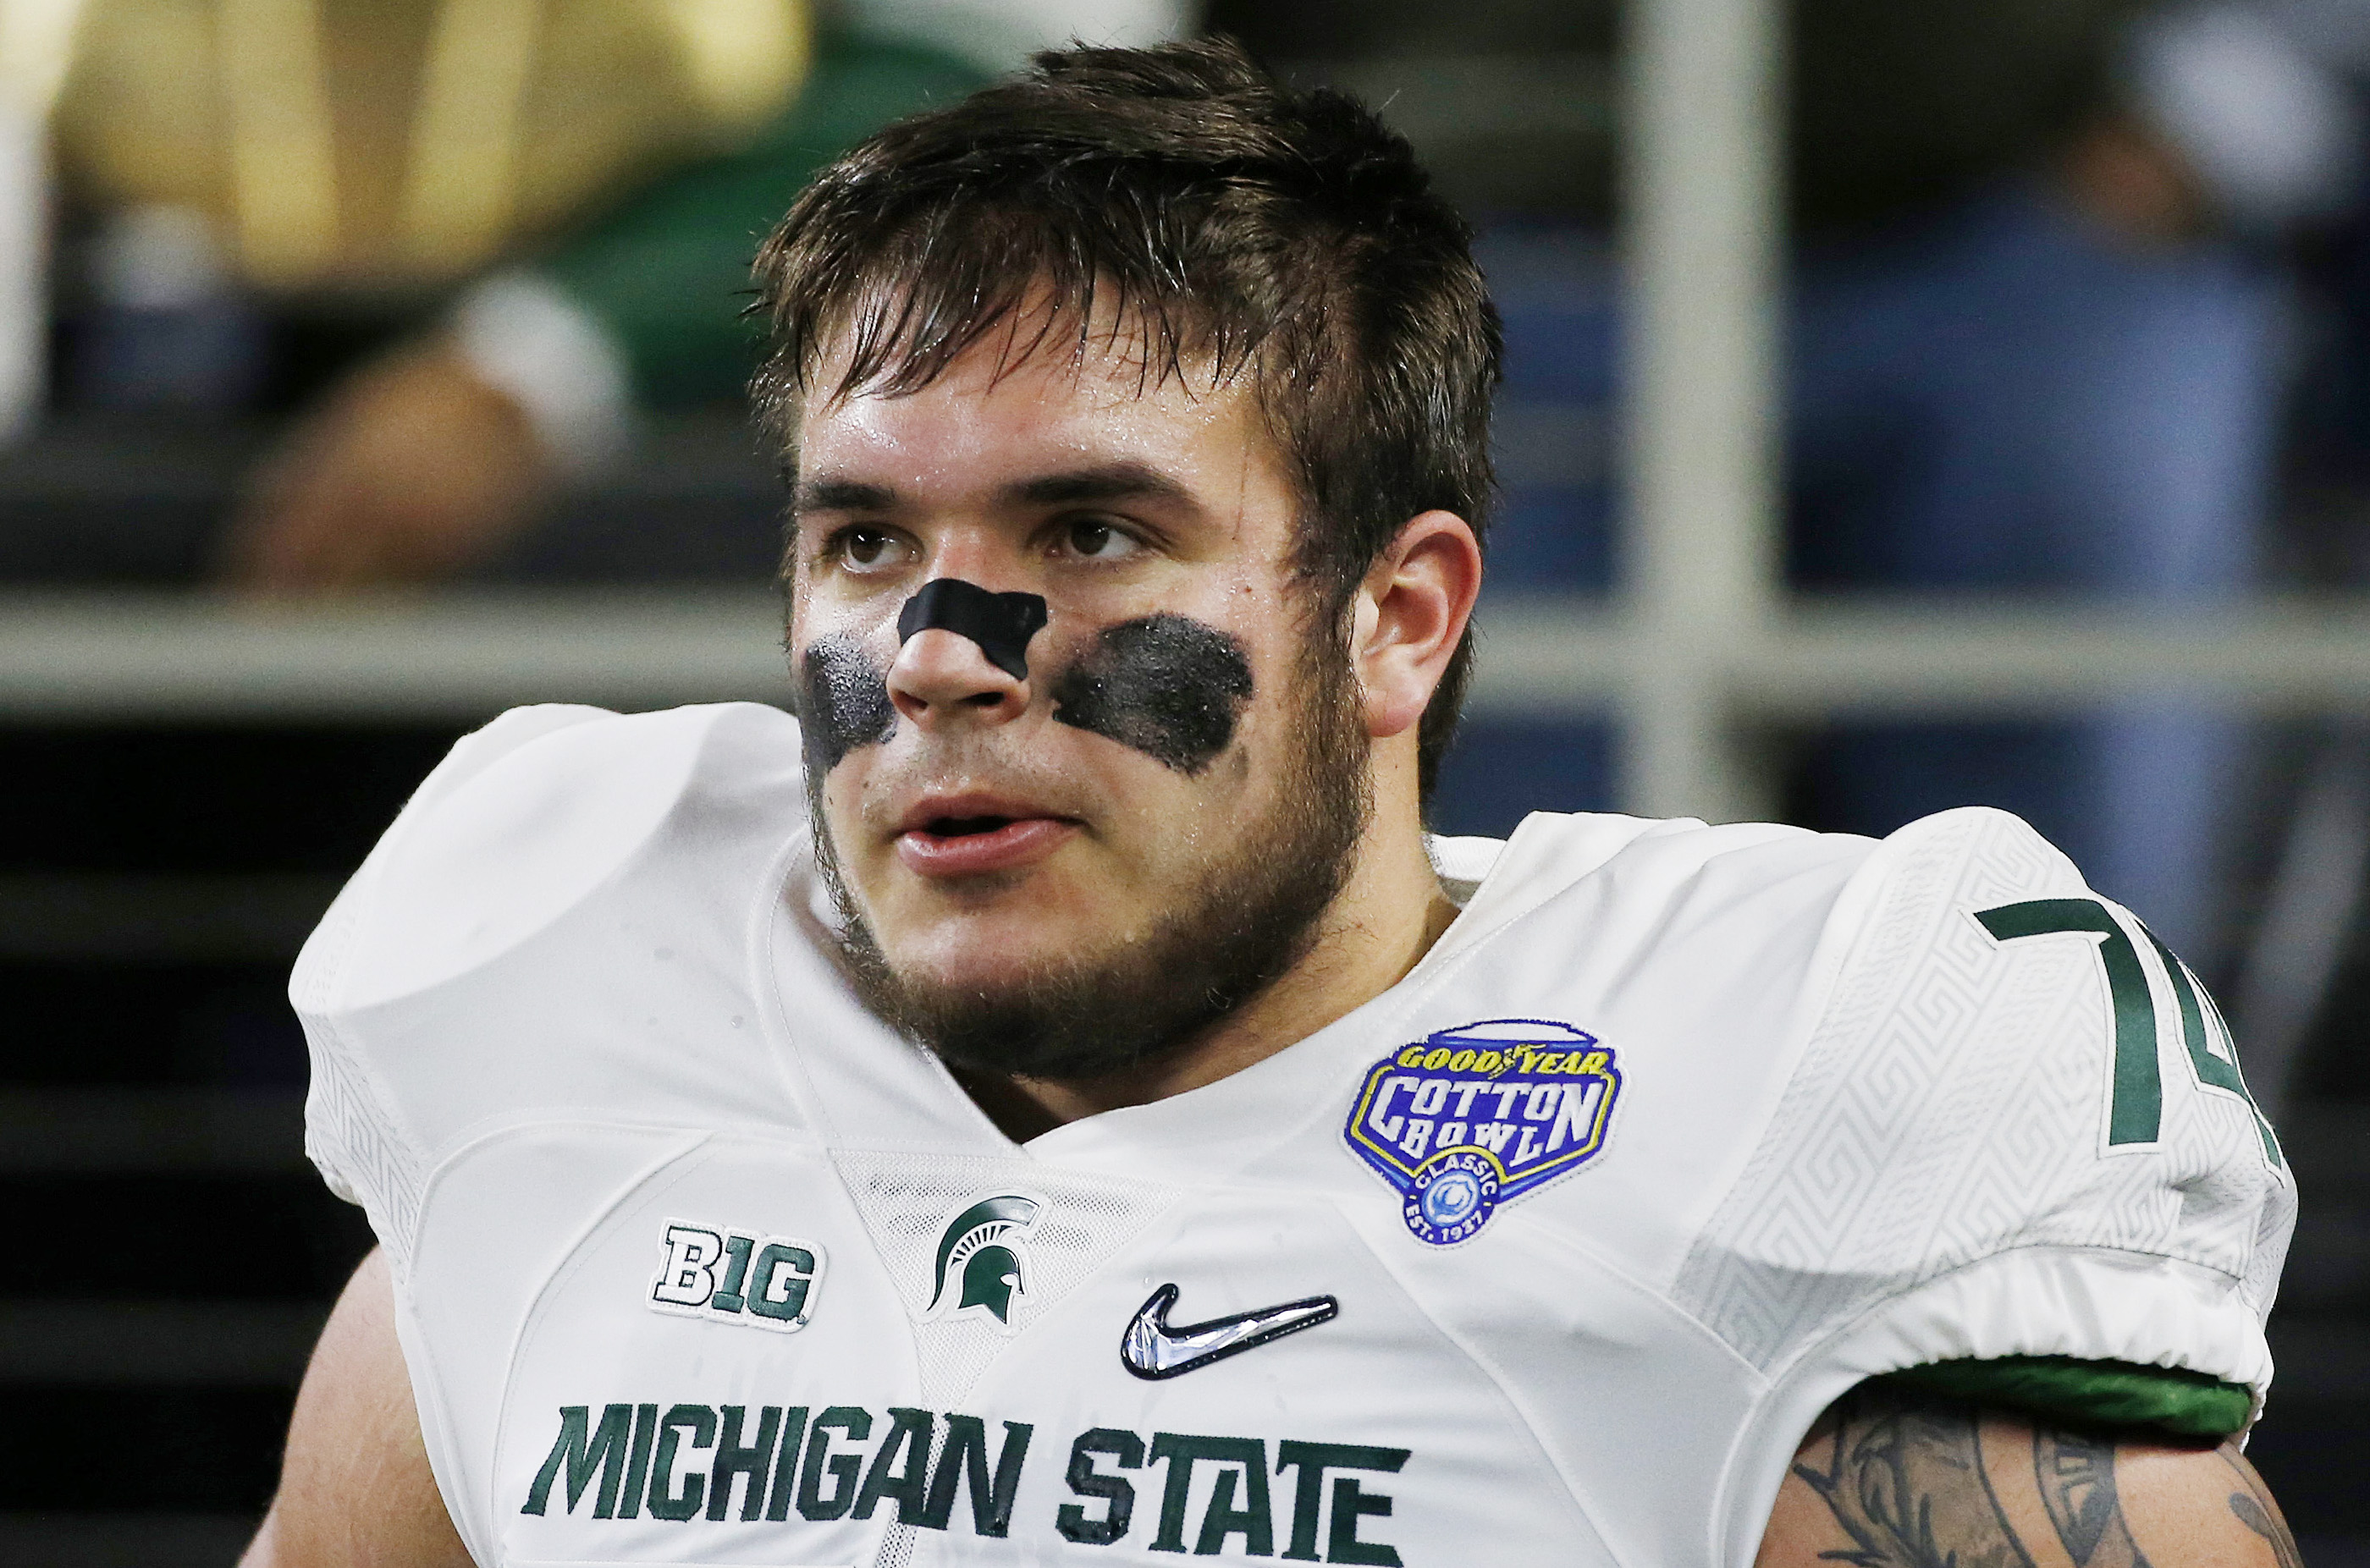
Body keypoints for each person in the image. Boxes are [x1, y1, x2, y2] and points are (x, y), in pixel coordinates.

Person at [242, 40, 2301, 1568]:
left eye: (1092, 529)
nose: (948, 645)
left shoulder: (1778, 1089)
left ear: (1396, 620)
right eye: (864, 543)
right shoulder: (576, 1014)